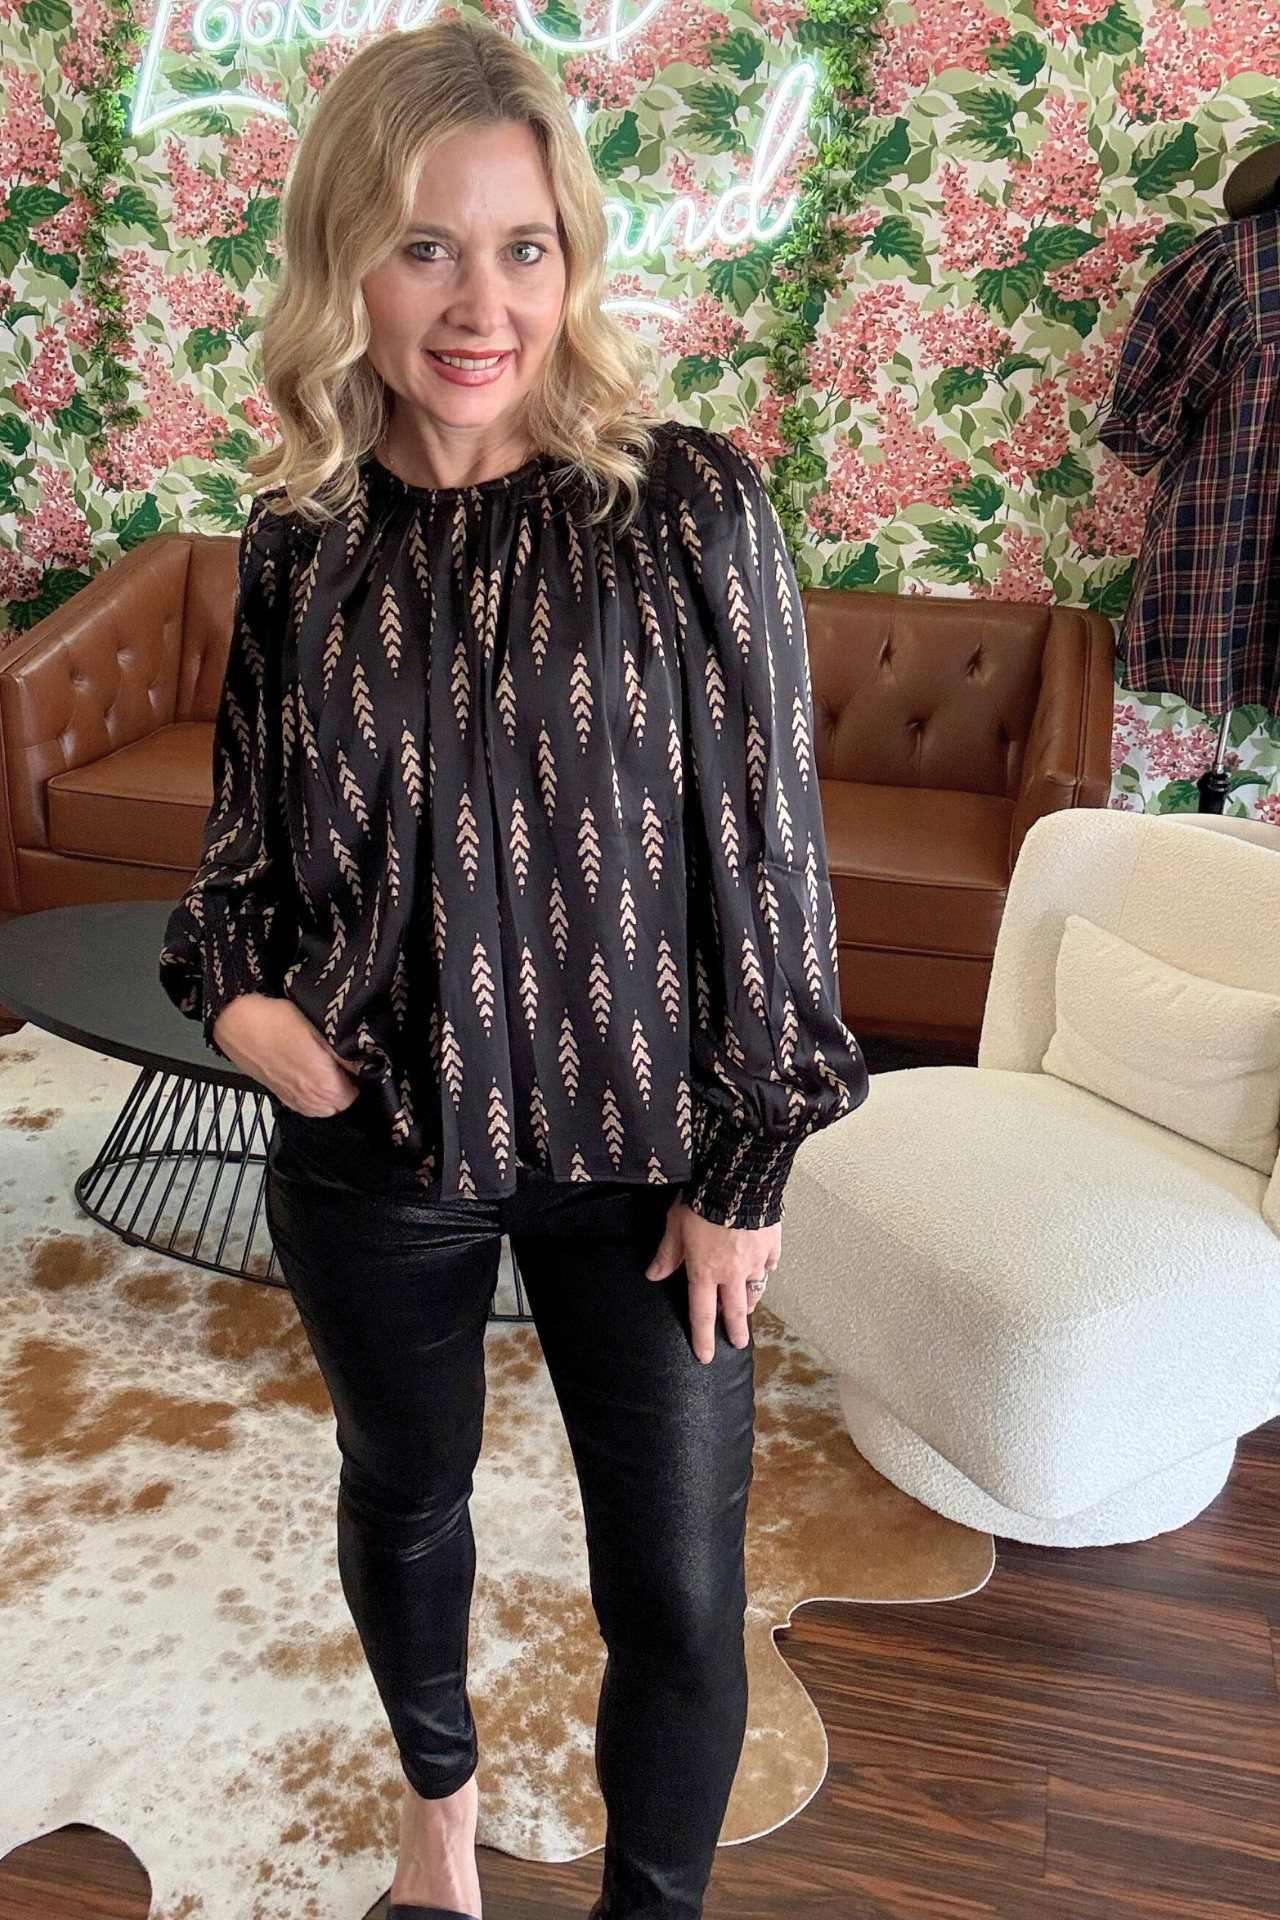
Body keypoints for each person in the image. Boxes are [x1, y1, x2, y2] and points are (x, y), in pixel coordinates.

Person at [157, 18, 869, 1920]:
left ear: (573, 257)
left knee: (681, 1594)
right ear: (345, 265)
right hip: (375, 1150)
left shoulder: (688, 503)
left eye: (523, 247)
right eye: (425, 248)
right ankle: (441, 1822)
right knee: (406, 1503)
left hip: (651, 1162)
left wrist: (750, 1168)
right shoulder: (301, 539)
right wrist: (244, 1007)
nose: (483, 306)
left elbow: (772, 868)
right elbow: (241, 861)